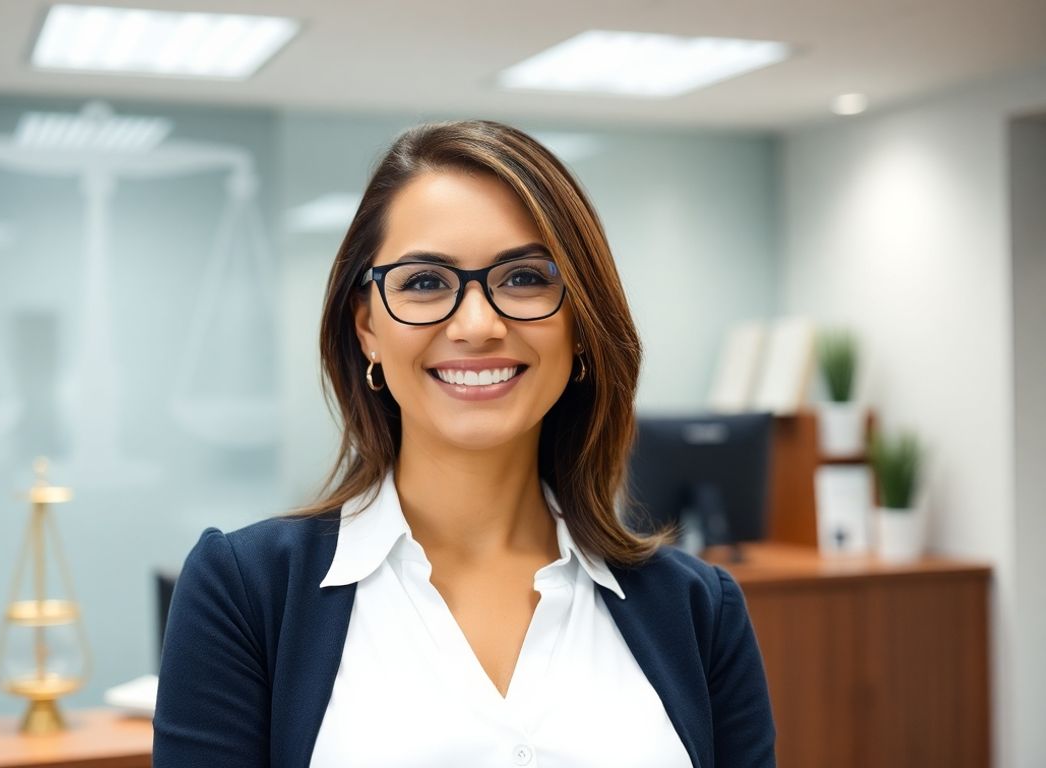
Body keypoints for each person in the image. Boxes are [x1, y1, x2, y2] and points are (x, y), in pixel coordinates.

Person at [153, 120, 776, 768]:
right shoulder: (245, 592)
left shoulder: (698, 609)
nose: (477, 326)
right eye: (425, 282)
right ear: (367, 327)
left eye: (525, 278)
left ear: (581, 322)